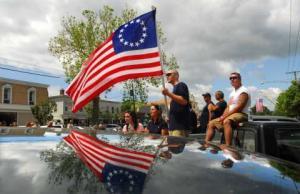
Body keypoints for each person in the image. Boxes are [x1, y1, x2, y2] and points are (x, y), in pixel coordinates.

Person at [204, 72, 251, 146]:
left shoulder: (243, 90)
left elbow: (239, 107)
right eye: (230, 78)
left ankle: (228, 146)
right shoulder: (232, 93)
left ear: (239, 79)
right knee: (211, 123)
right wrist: (222, 116)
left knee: (226, 121)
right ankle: (206, 144)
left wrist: (225, 117)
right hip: (232, 114)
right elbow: (228, 107)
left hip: (241, 114)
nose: (232, 79)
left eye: (234, 78)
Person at [161, 70, 190, 137]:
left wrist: (168, 93)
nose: (167, 76)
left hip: (179, 126)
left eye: (169, 74)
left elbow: (184, 101)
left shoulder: (181, 85)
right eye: (166, 75)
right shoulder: (175, 89)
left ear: (176, 75)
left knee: (176, 147)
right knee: (173, 147)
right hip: (174, 126)